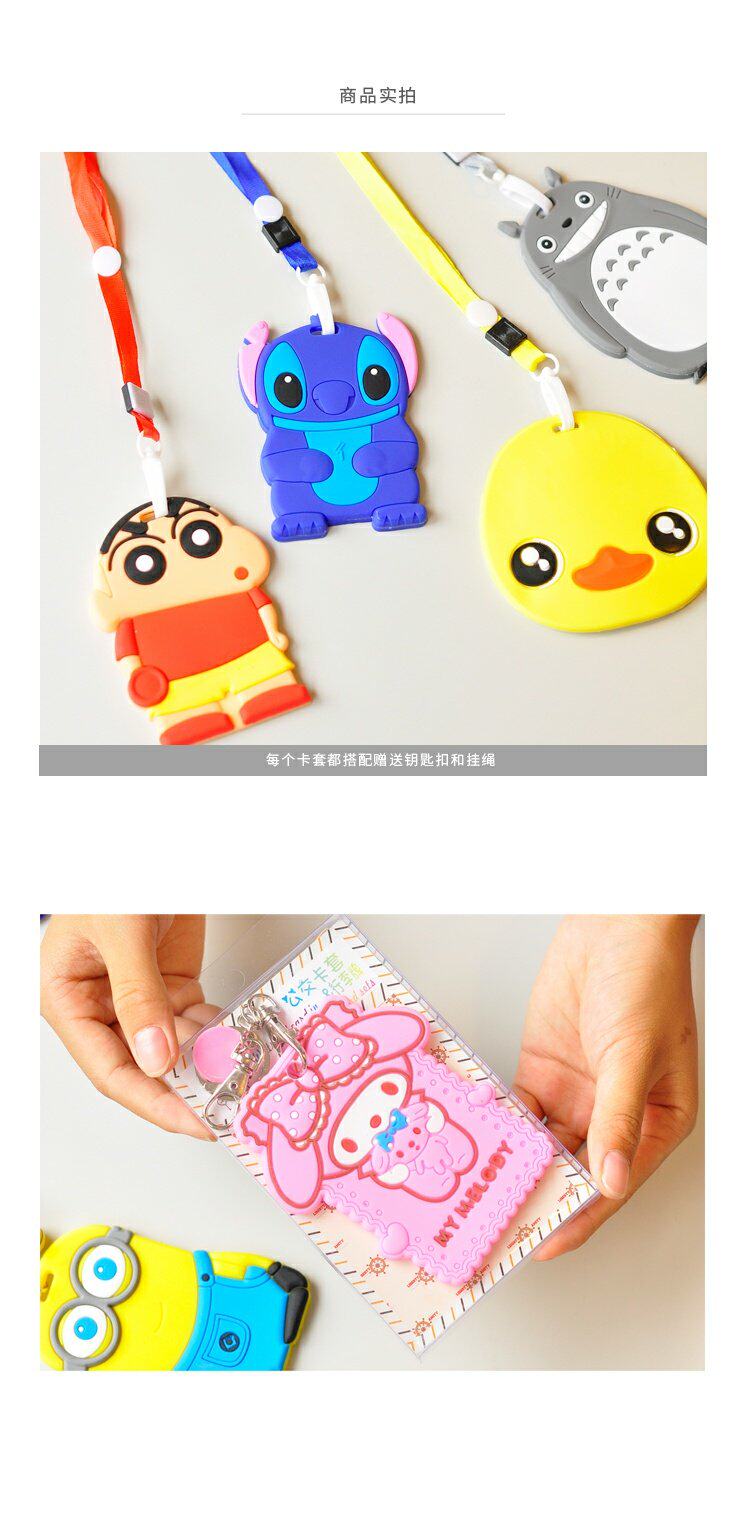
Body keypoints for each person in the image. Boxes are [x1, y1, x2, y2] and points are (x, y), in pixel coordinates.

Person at [40, 914, 700, 1258]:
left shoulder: (355, 1052)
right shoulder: (300, 1130)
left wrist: (637, 921)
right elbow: (302, 1177)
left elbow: (395, 1037)